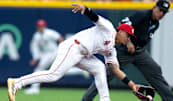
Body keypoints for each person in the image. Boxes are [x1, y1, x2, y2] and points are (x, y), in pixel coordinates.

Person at [7, 4, 138, 101]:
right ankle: (17, 83)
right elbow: (95, 18)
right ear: (121, 32)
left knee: (99, 68)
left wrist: (132, 85)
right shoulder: (109, 29)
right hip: (73, 47)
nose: (128, 40)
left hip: (82, 54)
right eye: (128, 36)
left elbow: (115, 69)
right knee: (53, 75)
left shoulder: (112, 51)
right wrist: (85, 9)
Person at [81, 1, 173, 101]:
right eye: (160, 10)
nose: (161, 14)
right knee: (106, 76)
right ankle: (86, 99)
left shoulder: (155, 23)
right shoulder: (142, 15)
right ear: (154, 8)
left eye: (164, 12)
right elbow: (123, 24)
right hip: (124, 51)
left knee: (155, 70)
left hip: (139, 52)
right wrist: (128, 42)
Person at [24, 19, 64, 94]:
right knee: (60, 70)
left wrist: (62, 50)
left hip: (53, 52)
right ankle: (81, 72)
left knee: (39, 69)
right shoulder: (36, 35)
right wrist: (35, 58)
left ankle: (34, 88)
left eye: (41, 26)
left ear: (44, 26)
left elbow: (60, 38)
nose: (40, 27)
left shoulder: (49, 32)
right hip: (46, 54)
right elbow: (35, 48)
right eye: (39, 26)